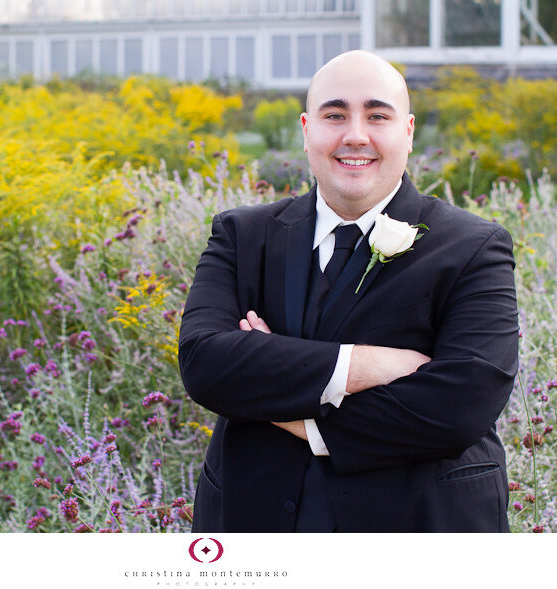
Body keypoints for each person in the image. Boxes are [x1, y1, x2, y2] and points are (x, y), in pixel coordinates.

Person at [178, 50, 519, 532]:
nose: (355, 134)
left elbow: (460, 406)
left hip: (416, 533)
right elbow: (205, 364)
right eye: (334, 114)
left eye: (377, 115)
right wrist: (365, 365)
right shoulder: (241, 235)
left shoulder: (473, 247)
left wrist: (279, 393)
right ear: (305, 129)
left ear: (408, 131)